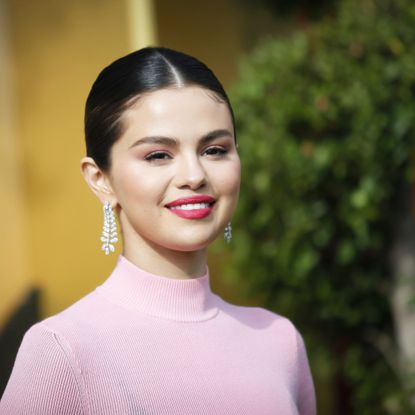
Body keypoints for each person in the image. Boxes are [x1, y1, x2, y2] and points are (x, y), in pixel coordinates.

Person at [0, 46, 316, 414]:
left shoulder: (279, 342)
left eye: (214, 150)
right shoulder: (63, 351)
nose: (194, 176)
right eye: (158, 155)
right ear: (100, 179)